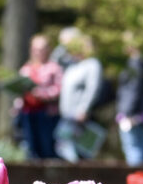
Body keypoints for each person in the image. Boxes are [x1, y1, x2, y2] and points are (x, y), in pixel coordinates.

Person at [56, 34, 103, 162]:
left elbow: (93, 88)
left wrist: (84, 109)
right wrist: (63, 45)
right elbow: (56, 58)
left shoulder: (92, 64)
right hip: (67, 116)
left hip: (80, 117)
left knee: (81, 152)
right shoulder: (72, 66)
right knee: (63, 149)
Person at [17, 34, 63, 159]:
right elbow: (19, 91)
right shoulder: (26, 68)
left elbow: (59, 89)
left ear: (48, 50)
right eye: (35, 49)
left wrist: (41, 94)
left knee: (46, 147)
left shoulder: (54, 68)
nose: (38, 52)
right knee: (30, 148)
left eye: (41, 49)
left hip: (46, 114)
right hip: (27, 113)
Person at [115, 32, 143, 165]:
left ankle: (138, 181)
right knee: (142, 146)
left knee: (133, 148)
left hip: (132, 114)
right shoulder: (140, 63)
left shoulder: (135, 65)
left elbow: (134, 90)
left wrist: (128, 113)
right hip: (138, 112)